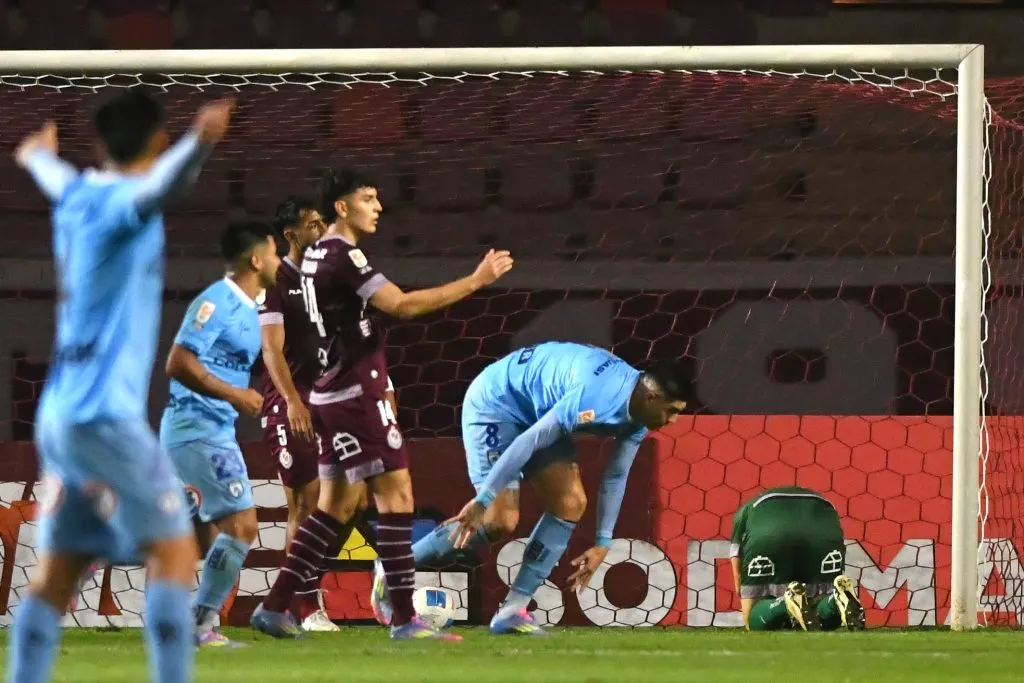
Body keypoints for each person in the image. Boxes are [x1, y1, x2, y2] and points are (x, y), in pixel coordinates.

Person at [6, 90, 231, 683]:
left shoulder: (77, 193)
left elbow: (53, 175)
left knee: (57, 574)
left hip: (58, 414)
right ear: (156, 141)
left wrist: (35, 156)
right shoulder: (128, 200)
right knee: (175, 553)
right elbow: (160, 191)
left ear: (100, 144)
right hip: (105, 416)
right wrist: (200, 142)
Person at [250, 168, 512, 641]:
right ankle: (406, 619)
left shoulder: (309, 261)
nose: (379, 206)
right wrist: (476, 280)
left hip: (330, 389)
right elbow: (404, 306)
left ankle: (274, 607)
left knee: (333, 507)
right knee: (397, 498)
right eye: (368, 198)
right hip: (355, 390)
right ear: (343, 207)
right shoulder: (342, 254)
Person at [393, 342, 692, 635]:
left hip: (540, 412)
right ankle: (393, 567)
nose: (674, 421)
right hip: (498, 402)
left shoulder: (639, 416)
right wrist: (483, 499)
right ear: (651, 396)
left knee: (570, 503)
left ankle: (513, 611)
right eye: (672, 411)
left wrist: (602, 541)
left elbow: (615, 476)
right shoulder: (597, 396)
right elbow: (530, 441)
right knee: (499, 519)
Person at [160, 219, 280, 647]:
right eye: (275, 252)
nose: (279, 260)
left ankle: (97, 549)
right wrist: (234, 394)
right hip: (197, 428)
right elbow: (177, 362)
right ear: (256, 258)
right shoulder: (217, 302)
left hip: (212, 429)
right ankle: (200, 624)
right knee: (243, 526)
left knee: (199, 537)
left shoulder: (253, 308)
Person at [729, 485, 865, 631]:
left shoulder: (749, 507)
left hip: (770, 536)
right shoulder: (825, 502)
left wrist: (738, 581)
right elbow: (840, 544)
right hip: (823, 533)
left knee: (752, 621)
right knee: (816, 614)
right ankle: (834, 600)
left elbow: (736, 550)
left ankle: (785, 603)